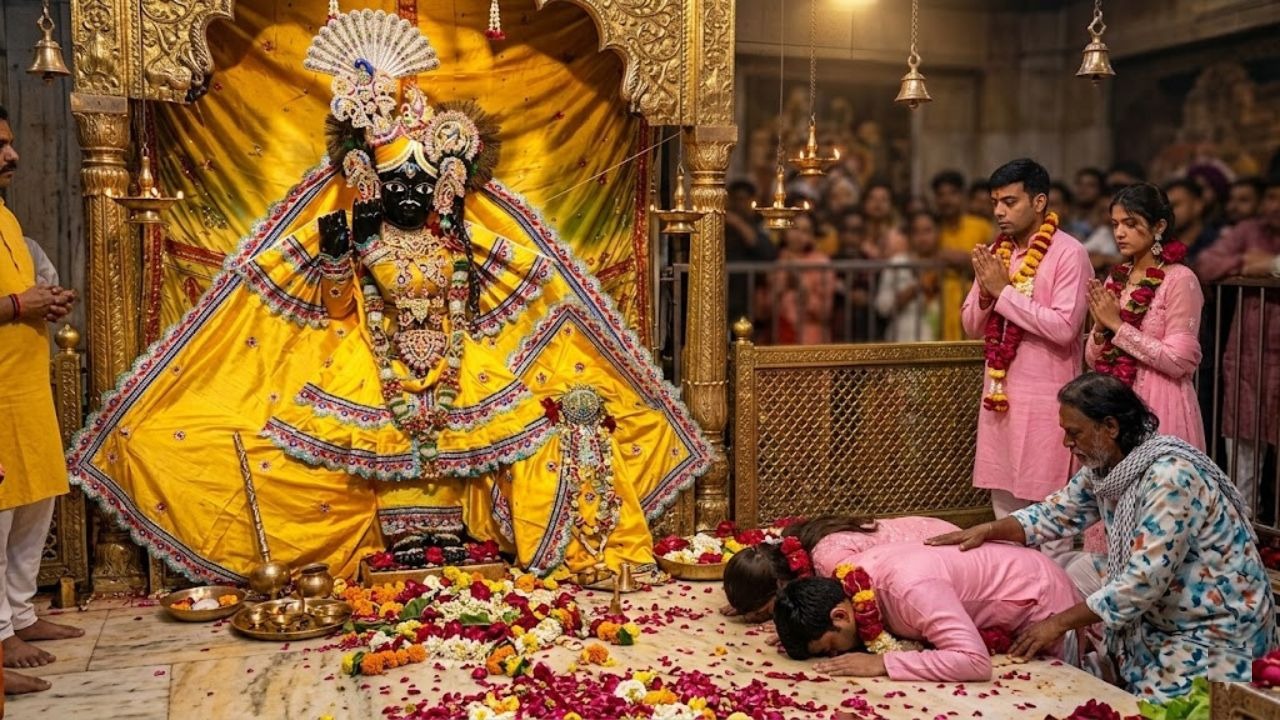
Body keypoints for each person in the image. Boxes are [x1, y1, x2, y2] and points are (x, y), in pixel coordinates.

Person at [65, 9, 712, 584]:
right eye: (396, 179)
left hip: (460, 363)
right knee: (289, 456)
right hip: (367, 362)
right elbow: (337, 306)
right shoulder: (350, 231)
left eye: (422, 181)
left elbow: (527, 280)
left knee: (553, 430)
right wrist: (340, 257)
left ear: (440, 188)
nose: (409, 190)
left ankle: (492, 545)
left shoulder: (459, 238)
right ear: (369, 181)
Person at [928, 373, 1275, 701]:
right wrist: (990, 529)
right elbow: (1055, 514)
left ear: (1110, 427)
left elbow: (1141, 583)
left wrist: (1057, 623)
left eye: (1074, 433)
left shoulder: (1171, 477)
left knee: (1157, 709)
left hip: (1218, 631)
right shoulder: (1105, 468)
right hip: (1162, 622)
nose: (1067, 443)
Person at [961, 158, 1091, 558]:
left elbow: (1063, 328)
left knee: (1050, 518)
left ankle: (1054, 612)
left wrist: (1003, 292)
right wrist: (986, 292)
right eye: (995, 202)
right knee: (1004, 514)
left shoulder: (1069, 254)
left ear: (1039, 202)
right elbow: (969, 325)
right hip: (1000, 400)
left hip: (1047, 404)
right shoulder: (997, 254)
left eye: (1010, 201)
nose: (999, 211)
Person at [0, 105, 83, 696]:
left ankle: (21, 614)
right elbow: (11, 302)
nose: (13, 154)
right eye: (0, 145)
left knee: (35, 501)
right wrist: (14, 308)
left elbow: (23, 292)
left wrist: (46, 302)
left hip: (24, 385)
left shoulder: (6, 221)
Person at [771, 540, 1081, 681]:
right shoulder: (852, 579)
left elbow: (974, 663)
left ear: (840, 615)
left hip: (1040, 602)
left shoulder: (910, 592)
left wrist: (883, 662)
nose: (835, 658)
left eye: (829, 650)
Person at [1085, 183, 1205, 449]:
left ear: (1159, 227)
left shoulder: (1180, 280)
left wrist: (1116, 325)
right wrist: (1101, 329)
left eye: (1130, 223)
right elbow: (1093, 359)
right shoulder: (1116, 279)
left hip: (1163, 402)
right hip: (1117, 402)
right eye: (1115, 224)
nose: (1119, 233)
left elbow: (1180, 361)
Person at [1194, 175, 1280, 516]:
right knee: (1244, 449)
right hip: (1249, 357)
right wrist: (1260, 266)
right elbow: (1206, 264)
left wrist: (1268, 266)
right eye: (1271, 197)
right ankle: (1246, 527)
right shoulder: (1247, 232)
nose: (1274, 206)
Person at [720, 514, 959, 621]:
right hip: (935, 530)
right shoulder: (792, 545)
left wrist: (800, 624)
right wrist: (746, 599)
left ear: (781, 586)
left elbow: (865, 610)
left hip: (949, 549)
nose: (767, 617)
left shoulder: (831, 563)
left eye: (765, 612)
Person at [930, 170, 994, 341]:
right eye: (941, 195)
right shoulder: (932, 230)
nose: (946, 200)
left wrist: (964, 260)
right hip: (941, 308)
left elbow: (996, 266)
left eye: (952, 193)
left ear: (963, 196)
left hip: (974, 305)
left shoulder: (981, 227)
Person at [762, 213, 833, 344]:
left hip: (810, 338)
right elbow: (765, 309)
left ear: (812, 236)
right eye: (794, 229)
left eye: (805, 231)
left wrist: (803, 288)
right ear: (784, 232)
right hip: (779, 336)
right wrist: (780, 287)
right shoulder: (777, 261)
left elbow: (824, 311)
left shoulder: (821, 263)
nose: (798, 235)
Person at [874, 211, 942, 342]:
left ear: (937, 233)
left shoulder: (947, 265)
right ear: (910, 237)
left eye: (927, 231)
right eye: (917, 232)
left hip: (943, 342)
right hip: (903, 341)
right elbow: (883, 307)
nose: (922, 238)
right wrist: (915, 288)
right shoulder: (898, 263)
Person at [725, 180, 778, 329]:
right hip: (724, 292)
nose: (738, 204)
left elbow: (767, 253)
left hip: (748, 293)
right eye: (735, 199)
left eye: (743, 199)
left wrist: (737, 223)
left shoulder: (760, 223)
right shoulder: (721, 224)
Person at [1164, 179, 1220, 264]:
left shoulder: (1218, 242)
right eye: (1166, 207)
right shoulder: (1161, 246)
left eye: (1176, 204)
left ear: (1198, 205)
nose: (1170, 211)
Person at [1072, 167, 1107, 238]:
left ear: (1100, 189)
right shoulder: (1066, 219)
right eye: (1079, 184)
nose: (1083, 189)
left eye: (1090, 185)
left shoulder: (1105, 222)